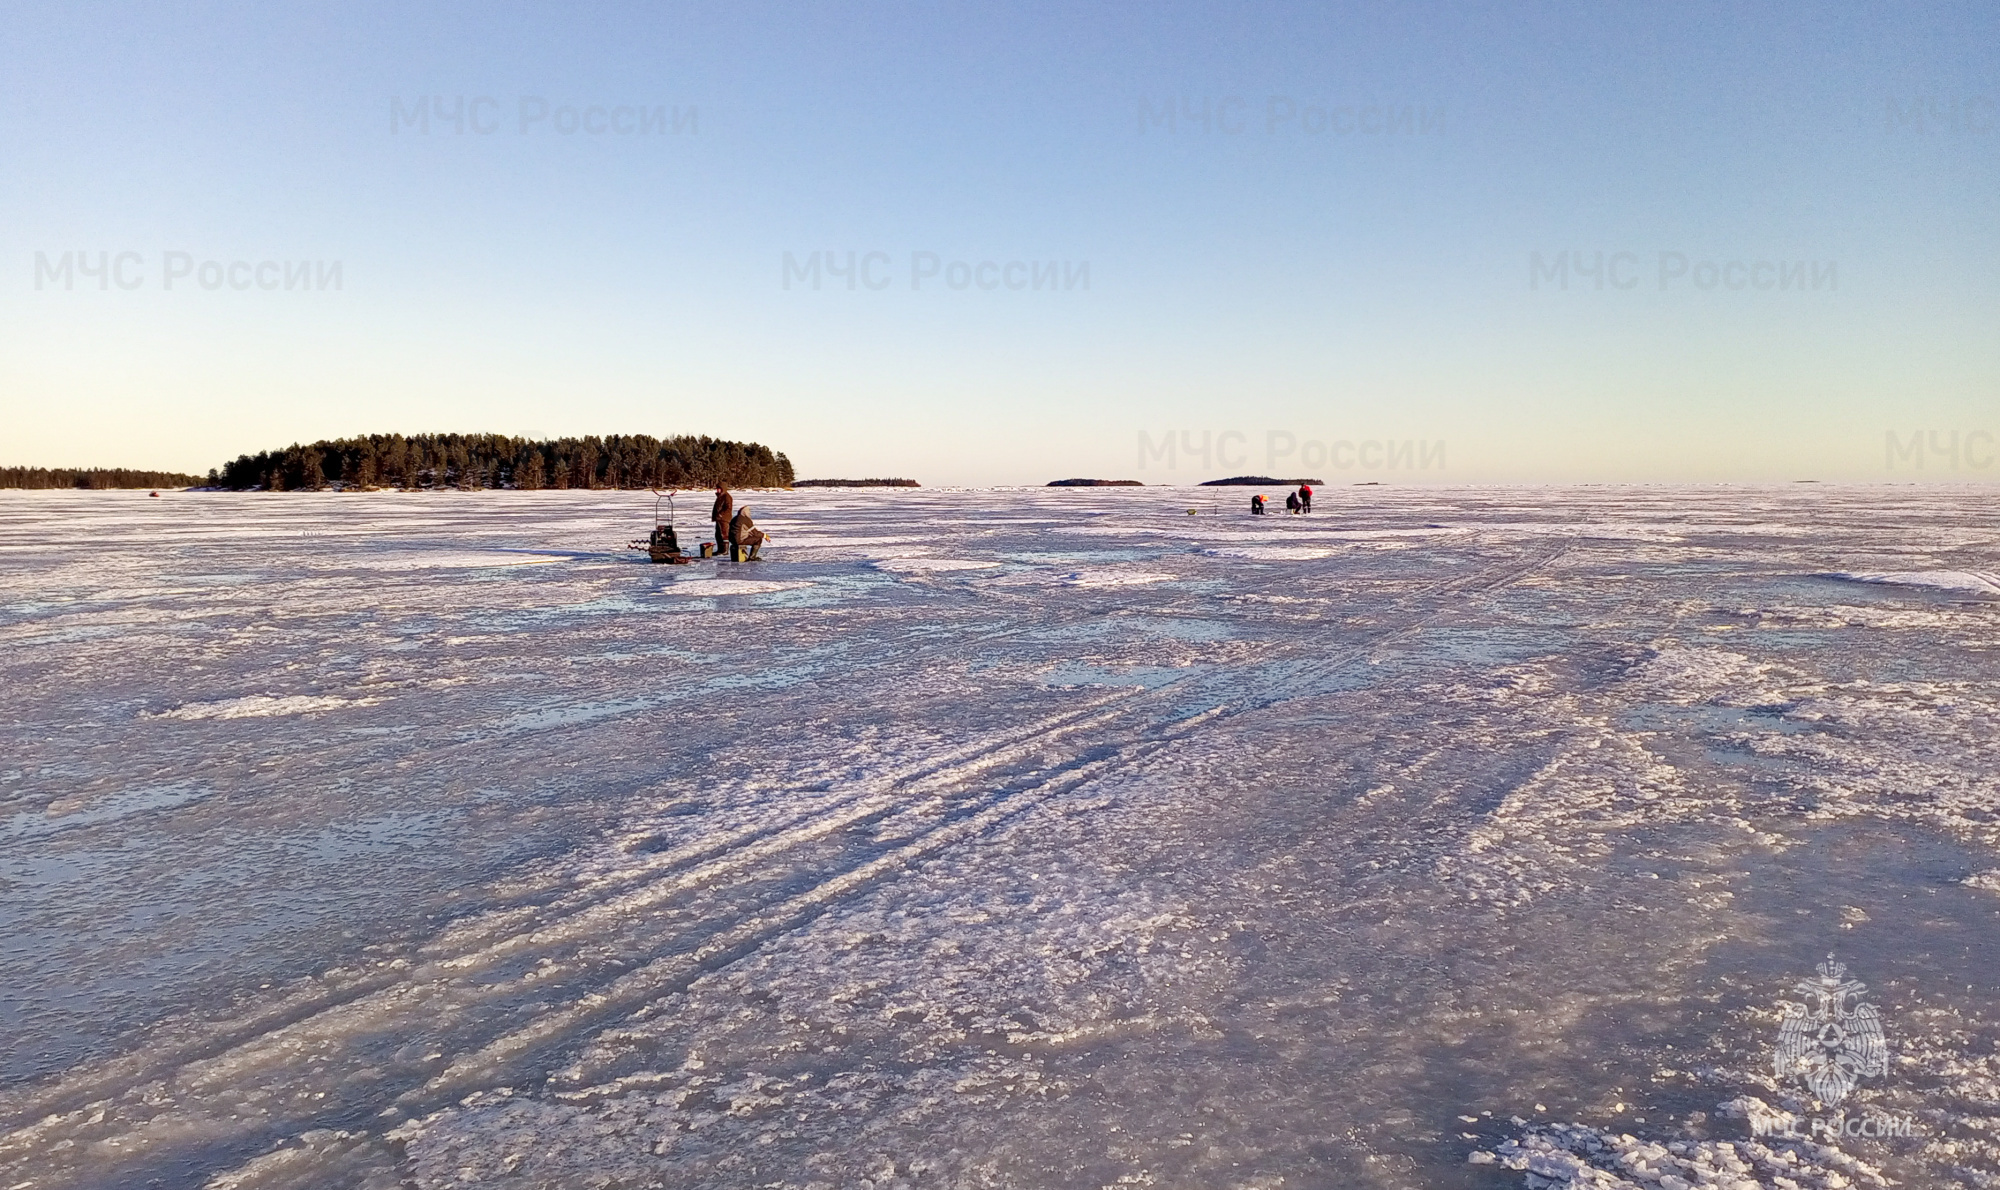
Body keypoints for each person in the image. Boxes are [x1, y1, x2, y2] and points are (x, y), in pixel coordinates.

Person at [710, 484, 733, 552]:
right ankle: (720, 549)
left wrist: (721, 514)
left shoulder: (727, 497)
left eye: (719, 489)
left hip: (724, 519)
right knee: (718, 535)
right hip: (719, 519)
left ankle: (725, 550)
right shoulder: (720, 496)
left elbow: (728, 508)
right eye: (717, 488)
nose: (717, 490)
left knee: (724, 534)